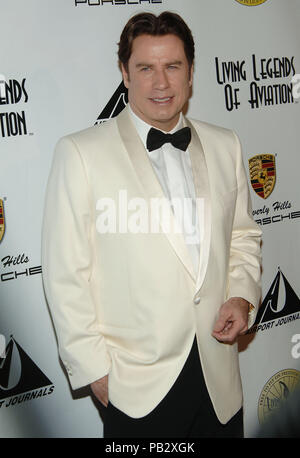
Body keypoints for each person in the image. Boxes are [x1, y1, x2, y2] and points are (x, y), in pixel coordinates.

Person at [42, 11, 262, 438]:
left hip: (220, 383)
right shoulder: (81, 154)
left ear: (192, 72)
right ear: (125, 73)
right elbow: (66, 274)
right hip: (136, 389)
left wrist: (241, 297)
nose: (161, 83)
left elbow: (243, 236)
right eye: (145, 68)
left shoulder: (225, 144)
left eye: (173, 66)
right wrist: (94, 371)